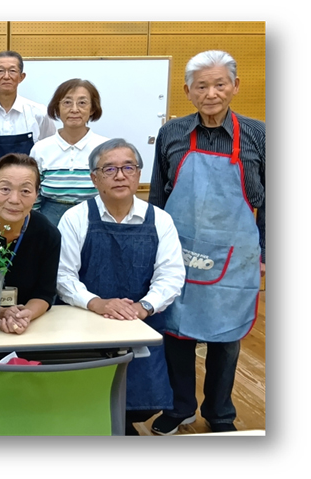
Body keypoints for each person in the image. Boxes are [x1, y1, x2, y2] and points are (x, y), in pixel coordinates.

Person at [148, 50, 266, 435]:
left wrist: (267, 252)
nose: (211, 93)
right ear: (188, 91)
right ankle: (179, 406)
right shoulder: (172, 133)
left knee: (226, 338)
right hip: (179, 250)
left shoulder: (259, 135)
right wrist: (153, 246)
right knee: (176, 331)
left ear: (235, 86)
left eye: (219, 84)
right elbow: (158, 197)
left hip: (236, 254)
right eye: (201, 86)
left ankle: (220, 414)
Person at [56, 138, 185, 436]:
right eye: (109, 169)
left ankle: (120, 427)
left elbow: (171, 275)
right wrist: (97, 303)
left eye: (128, 167)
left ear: (138, 174)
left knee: (142, 403)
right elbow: (63, 276)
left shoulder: (161, 220)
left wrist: (143, 307)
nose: (120, 175)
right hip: (87, 323)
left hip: (140, 324)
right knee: (84, 395)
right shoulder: (75, 218)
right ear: (94, 178)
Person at [0, 153, 61, 334]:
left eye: (25, 191)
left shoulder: (47, 234)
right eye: (5, 189)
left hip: (26, 328)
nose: (14, 199)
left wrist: (24, 316)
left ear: (36, 195)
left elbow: (44, 293)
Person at [30, 78, 109, 226]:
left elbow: (112, 192)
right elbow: (33, 194)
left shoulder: (106, 148)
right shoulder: (40, 148)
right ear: (57, 108)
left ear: (92, 109)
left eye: (82, 103)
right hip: (50, 220)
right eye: (67, 102)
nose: (74, 109)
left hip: (96, 218)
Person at [0, 50, 56, 178]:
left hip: (33, 187)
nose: (6, 76)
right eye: (0, 71)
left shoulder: (39, 114)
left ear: (21, 77)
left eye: (12, 71)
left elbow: (50, 154)